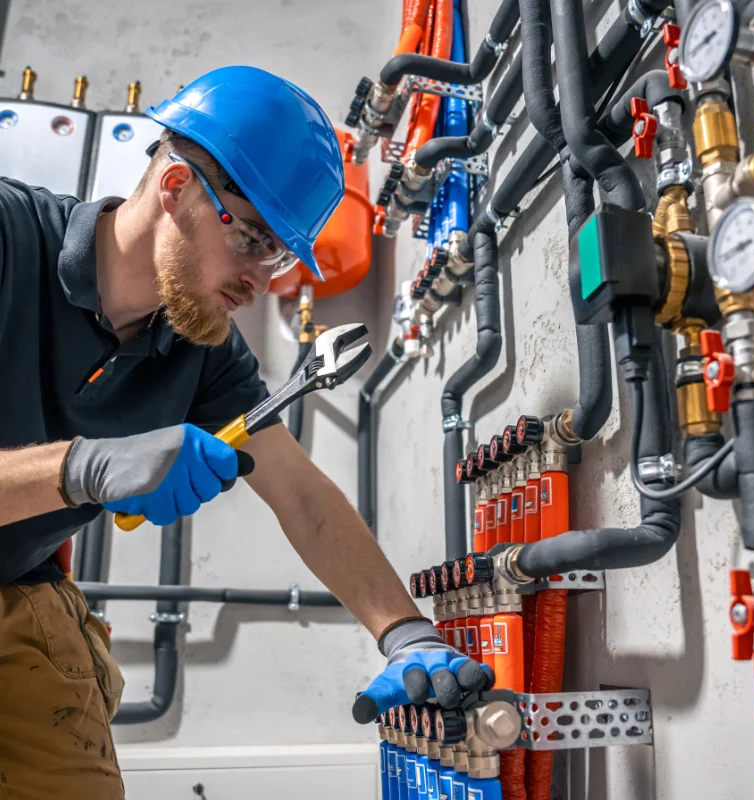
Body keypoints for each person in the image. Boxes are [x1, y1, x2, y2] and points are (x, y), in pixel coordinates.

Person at [0, 65, 489, 798]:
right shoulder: (10, 240)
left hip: (18, 589)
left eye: (283, 256)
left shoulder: (202, 349)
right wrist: (83, 468)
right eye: (258, 241)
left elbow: (301, 495)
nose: (264, 280)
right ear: (177, 191)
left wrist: (405, 633)